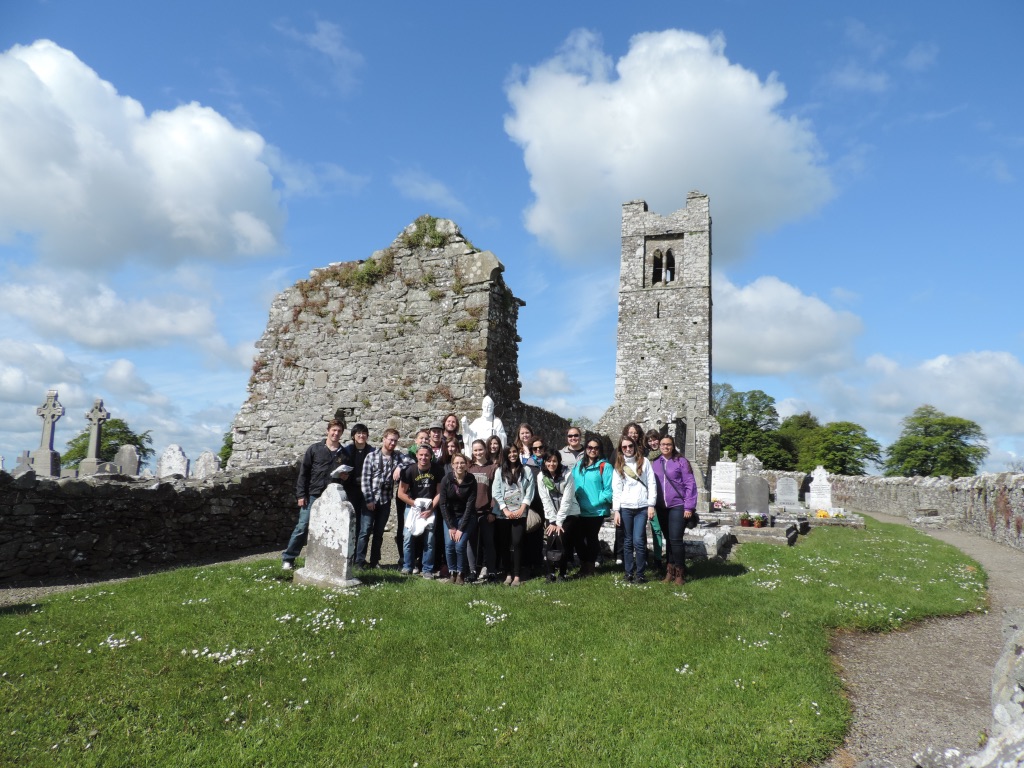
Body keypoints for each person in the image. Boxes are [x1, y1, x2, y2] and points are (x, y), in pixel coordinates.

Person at [283, 419, 347, 570]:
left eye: (339, 431)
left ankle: (325, 560)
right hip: (313, 494)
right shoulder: (315, 449)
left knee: (329, 528)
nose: (336, 433)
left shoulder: (344, 453)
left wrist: (345, 477)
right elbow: (303, 473)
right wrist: (300, 495)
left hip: (332, 497)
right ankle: (288, 558)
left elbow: (344, 477)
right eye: (334, 430)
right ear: (328, 431)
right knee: (302, 526)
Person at [361, 428, 412, 569]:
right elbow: (365, 480)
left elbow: (411, 461)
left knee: (378, 533)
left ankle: (374, 561)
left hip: (385, 500)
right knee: (365, 531)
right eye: (390, 439)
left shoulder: (397, 456)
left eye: (395, 440)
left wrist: (399, 467)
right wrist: (369, 500)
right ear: (384, 439)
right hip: (371, 499)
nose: (393, 443)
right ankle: (359, 561)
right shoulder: (371, 456)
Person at [651, 435, 698, 586]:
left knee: (676, 539)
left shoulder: (681, 461)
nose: (665, 447)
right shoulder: (655, 463)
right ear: (659, 446)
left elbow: (690, 483)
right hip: (661, 507)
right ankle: (669, 571)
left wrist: (689, 506)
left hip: (678, 505)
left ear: (673, 446)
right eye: (663, 444)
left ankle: (680, 573)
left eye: (668, 444)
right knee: (669, 539)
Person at [611, 435, 657, 583]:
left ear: (634, 446)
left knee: (638, 540)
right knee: (628, 541)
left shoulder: (645, 462)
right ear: (621, 449)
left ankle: (641, 574)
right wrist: (616, 510)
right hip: (625, 508)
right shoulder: (619, 465)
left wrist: (651, 505)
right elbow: (616, 490)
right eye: (624, 447)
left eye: (630, 446)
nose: (628, 449)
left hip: (642, 507)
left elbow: (652, 484)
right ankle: (629, 572)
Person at [492, 444, 535, 587]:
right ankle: (507, 574)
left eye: (514, 452)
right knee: (504, 544)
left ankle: (517, 575)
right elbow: (496, 492)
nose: (512, 455)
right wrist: (505, 510)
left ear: (518, 453)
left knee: (517, 543)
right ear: (505, 454)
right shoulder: (499, 471)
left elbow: (530, 490)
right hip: (504, 514)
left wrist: (522, 508)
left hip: (519, 513)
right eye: (509, 452)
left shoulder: (526, 470)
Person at [397, 446, 443, 578]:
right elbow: (401, 493)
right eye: (421, 455)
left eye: (427, 455)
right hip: (412, 507)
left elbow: (439, 492)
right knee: (407, 537)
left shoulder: (437, 470)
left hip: (430, 507)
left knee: (429, 539)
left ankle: (427, 569)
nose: (424, 458)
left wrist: (431, 509)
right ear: (416, 455)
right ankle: (407, 566)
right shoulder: (409, 470)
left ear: (431, 456)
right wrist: (414, 504)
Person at [572, 438, 612, 577]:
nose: (592, 450)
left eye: (596, 448)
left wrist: (597, 501)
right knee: (577, 539)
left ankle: (589, 567)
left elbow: (609, 489)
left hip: (596, 510)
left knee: (591, 538)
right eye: (590, 447)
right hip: (579, 510)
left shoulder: (605, 467)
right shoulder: (578, 466)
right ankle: (585, 564)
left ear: (600, 450)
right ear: (586, 448)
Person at [538, 449, 579, 581]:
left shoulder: (567, 475)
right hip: (552, 515)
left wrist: (559, 522)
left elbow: (567, 500)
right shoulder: (541, 477)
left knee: (562, 539)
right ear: (545, 462)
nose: (552, 463)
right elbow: (545, 499)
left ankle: (562, 573)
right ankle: (550, 573)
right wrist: (552, 521)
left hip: (569, 513)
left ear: (559, 462)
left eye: (554, 461)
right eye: (549, 461)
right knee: (550, 540)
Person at [439, 453, 477, 584]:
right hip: (450, 518)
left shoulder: (471, 480)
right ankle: (452, 573)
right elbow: (442, 503)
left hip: (467, 517)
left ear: (466, 465)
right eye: (457, 463)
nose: (459, 465)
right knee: (449, 546)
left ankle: (461, 573)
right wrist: (450, 526)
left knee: (460, 545)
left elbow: (470, 505)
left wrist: (460, 529)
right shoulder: (446, 479)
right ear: (452, 465)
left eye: (462, 463)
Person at [343, 423, 374, 568]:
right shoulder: (347, 451)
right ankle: (349, 556)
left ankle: (360, 560)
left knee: (365, 527)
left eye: (364, 433)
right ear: (353, 435)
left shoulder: (373, 452)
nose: (361, 436)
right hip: (351, 491)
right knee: (351, 525)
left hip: (367, 492)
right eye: (358, 433)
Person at [467, 439, 497, 582]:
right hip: (472, 512)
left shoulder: (492, 468)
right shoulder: (469, 468)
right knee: (471, 543)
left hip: (487, 512)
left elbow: (496, 492)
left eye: (480, 449)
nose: (478, 453)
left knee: (489, 543)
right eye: (475, 450)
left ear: (485, 450)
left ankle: (491, 571)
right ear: (472, 452)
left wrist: (493, 511)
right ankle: (472, 571)